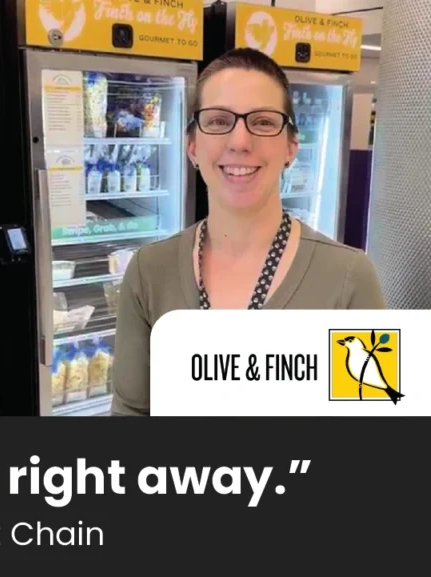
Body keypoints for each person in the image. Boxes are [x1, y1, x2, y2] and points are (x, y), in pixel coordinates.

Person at [109, 48, 386, 417]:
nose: (240, 141)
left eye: (264, 122)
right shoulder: (148, 271)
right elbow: (131, 413)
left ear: (291, 147)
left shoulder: (350, 278)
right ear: (192, 146)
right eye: (219, 121)